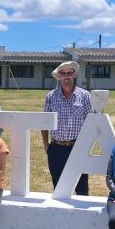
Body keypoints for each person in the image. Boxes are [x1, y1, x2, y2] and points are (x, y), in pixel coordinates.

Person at [42, 60, 93, 195]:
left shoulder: (85, 96)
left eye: (69, 73)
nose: (66, 76)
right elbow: (44, 122)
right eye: (63, 74)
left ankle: (82, 216)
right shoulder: (51, 96)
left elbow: (91, 122)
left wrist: (87, 146)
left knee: (82, 189)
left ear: (74, 75)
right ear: (59, 76)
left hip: (77, 147)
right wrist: (46, 145)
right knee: (59, 190)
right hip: (56, 149)